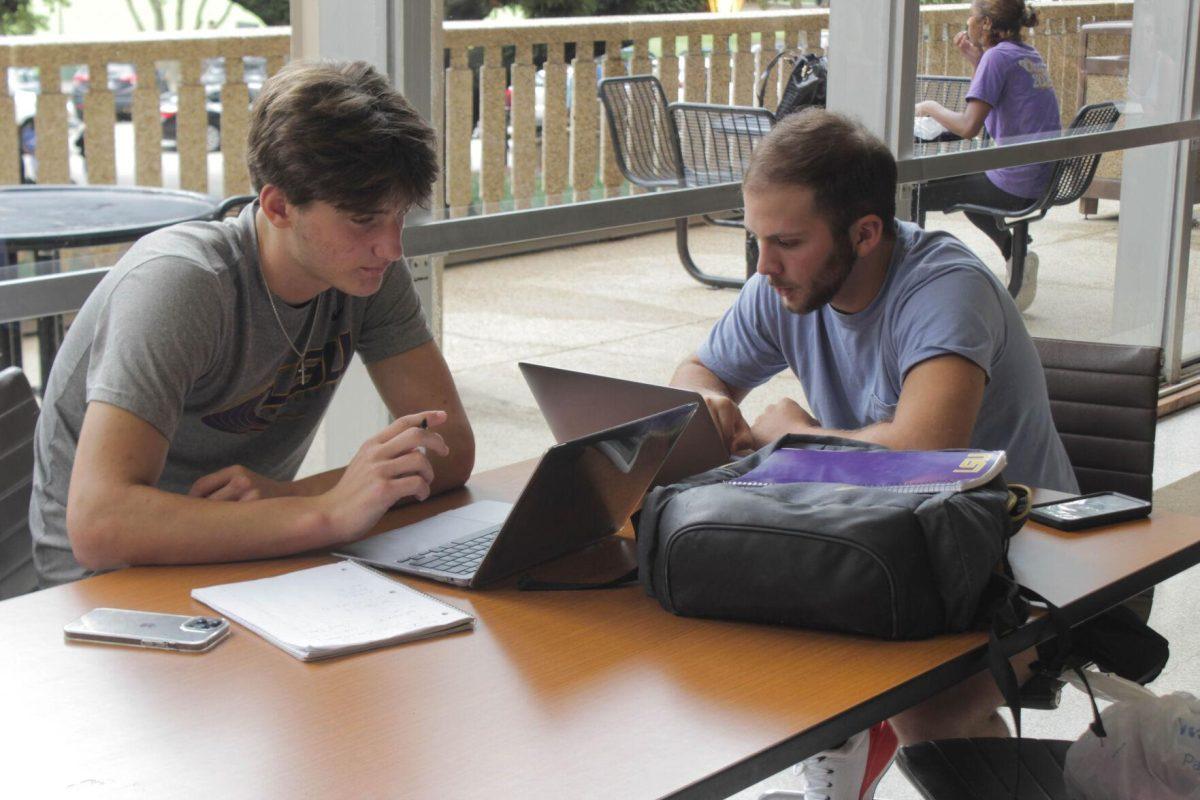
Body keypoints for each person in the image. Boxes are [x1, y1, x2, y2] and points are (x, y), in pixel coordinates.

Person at [670, 108, 1078, 800]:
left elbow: (927, 449)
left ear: (864, 234)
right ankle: (845, 743)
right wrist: (705, 403)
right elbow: (696, 376)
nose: (763, 266)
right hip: (891, 535)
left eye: (787, 242)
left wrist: (794, 434)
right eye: (756, 240)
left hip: (1024, 553)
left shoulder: (945, 288)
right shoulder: (785, 286)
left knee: (927, 709)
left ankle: (859, 738)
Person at [30, 60, 475, 588]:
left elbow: (450, 449)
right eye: (363, 219)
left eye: (400, 215)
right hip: (101, 587)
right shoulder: (182, 285)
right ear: (279, 206)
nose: (391, 246)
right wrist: (328, 513)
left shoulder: (367, 273)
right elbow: (100, 525)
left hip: (245, 555)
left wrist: (291, 497)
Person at [913, 0, 1061, 311]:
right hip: (1041, 177)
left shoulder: (997, 58)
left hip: (1016, 183)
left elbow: (968, 127)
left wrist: (929, 107)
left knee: (917, 191)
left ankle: (912, 280)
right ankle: (1015, 253)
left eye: (972, 15)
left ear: (986, 24)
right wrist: (977, 61)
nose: (967, 21)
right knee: (965, 190)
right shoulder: (1026, 54)